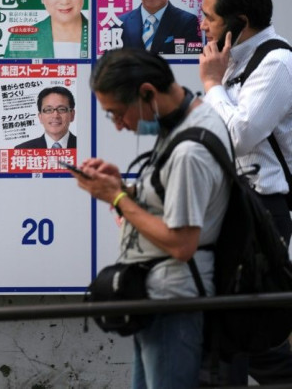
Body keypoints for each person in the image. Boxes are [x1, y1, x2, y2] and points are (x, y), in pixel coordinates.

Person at [71, 47, 230, 389]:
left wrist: (114, 198)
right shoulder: (185, 121)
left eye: (117, 113)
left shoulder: (190, 151)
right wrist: (123, 189)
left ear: (147, 93)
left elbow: (181, 243)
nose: (118, 125)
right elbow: (169, 201)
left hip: (173, 299)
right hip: (155, 295)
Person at [198, 0, 292, 385]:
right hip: (239, 208)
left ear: (240, 22)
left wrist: (213, 85)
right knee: (235, 328)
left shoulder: (276, 65)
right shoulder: (235, 60)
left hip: (266, 213)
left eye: (210, 17)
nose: (202, 25)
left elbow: (239, 135)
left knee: (248, 330)